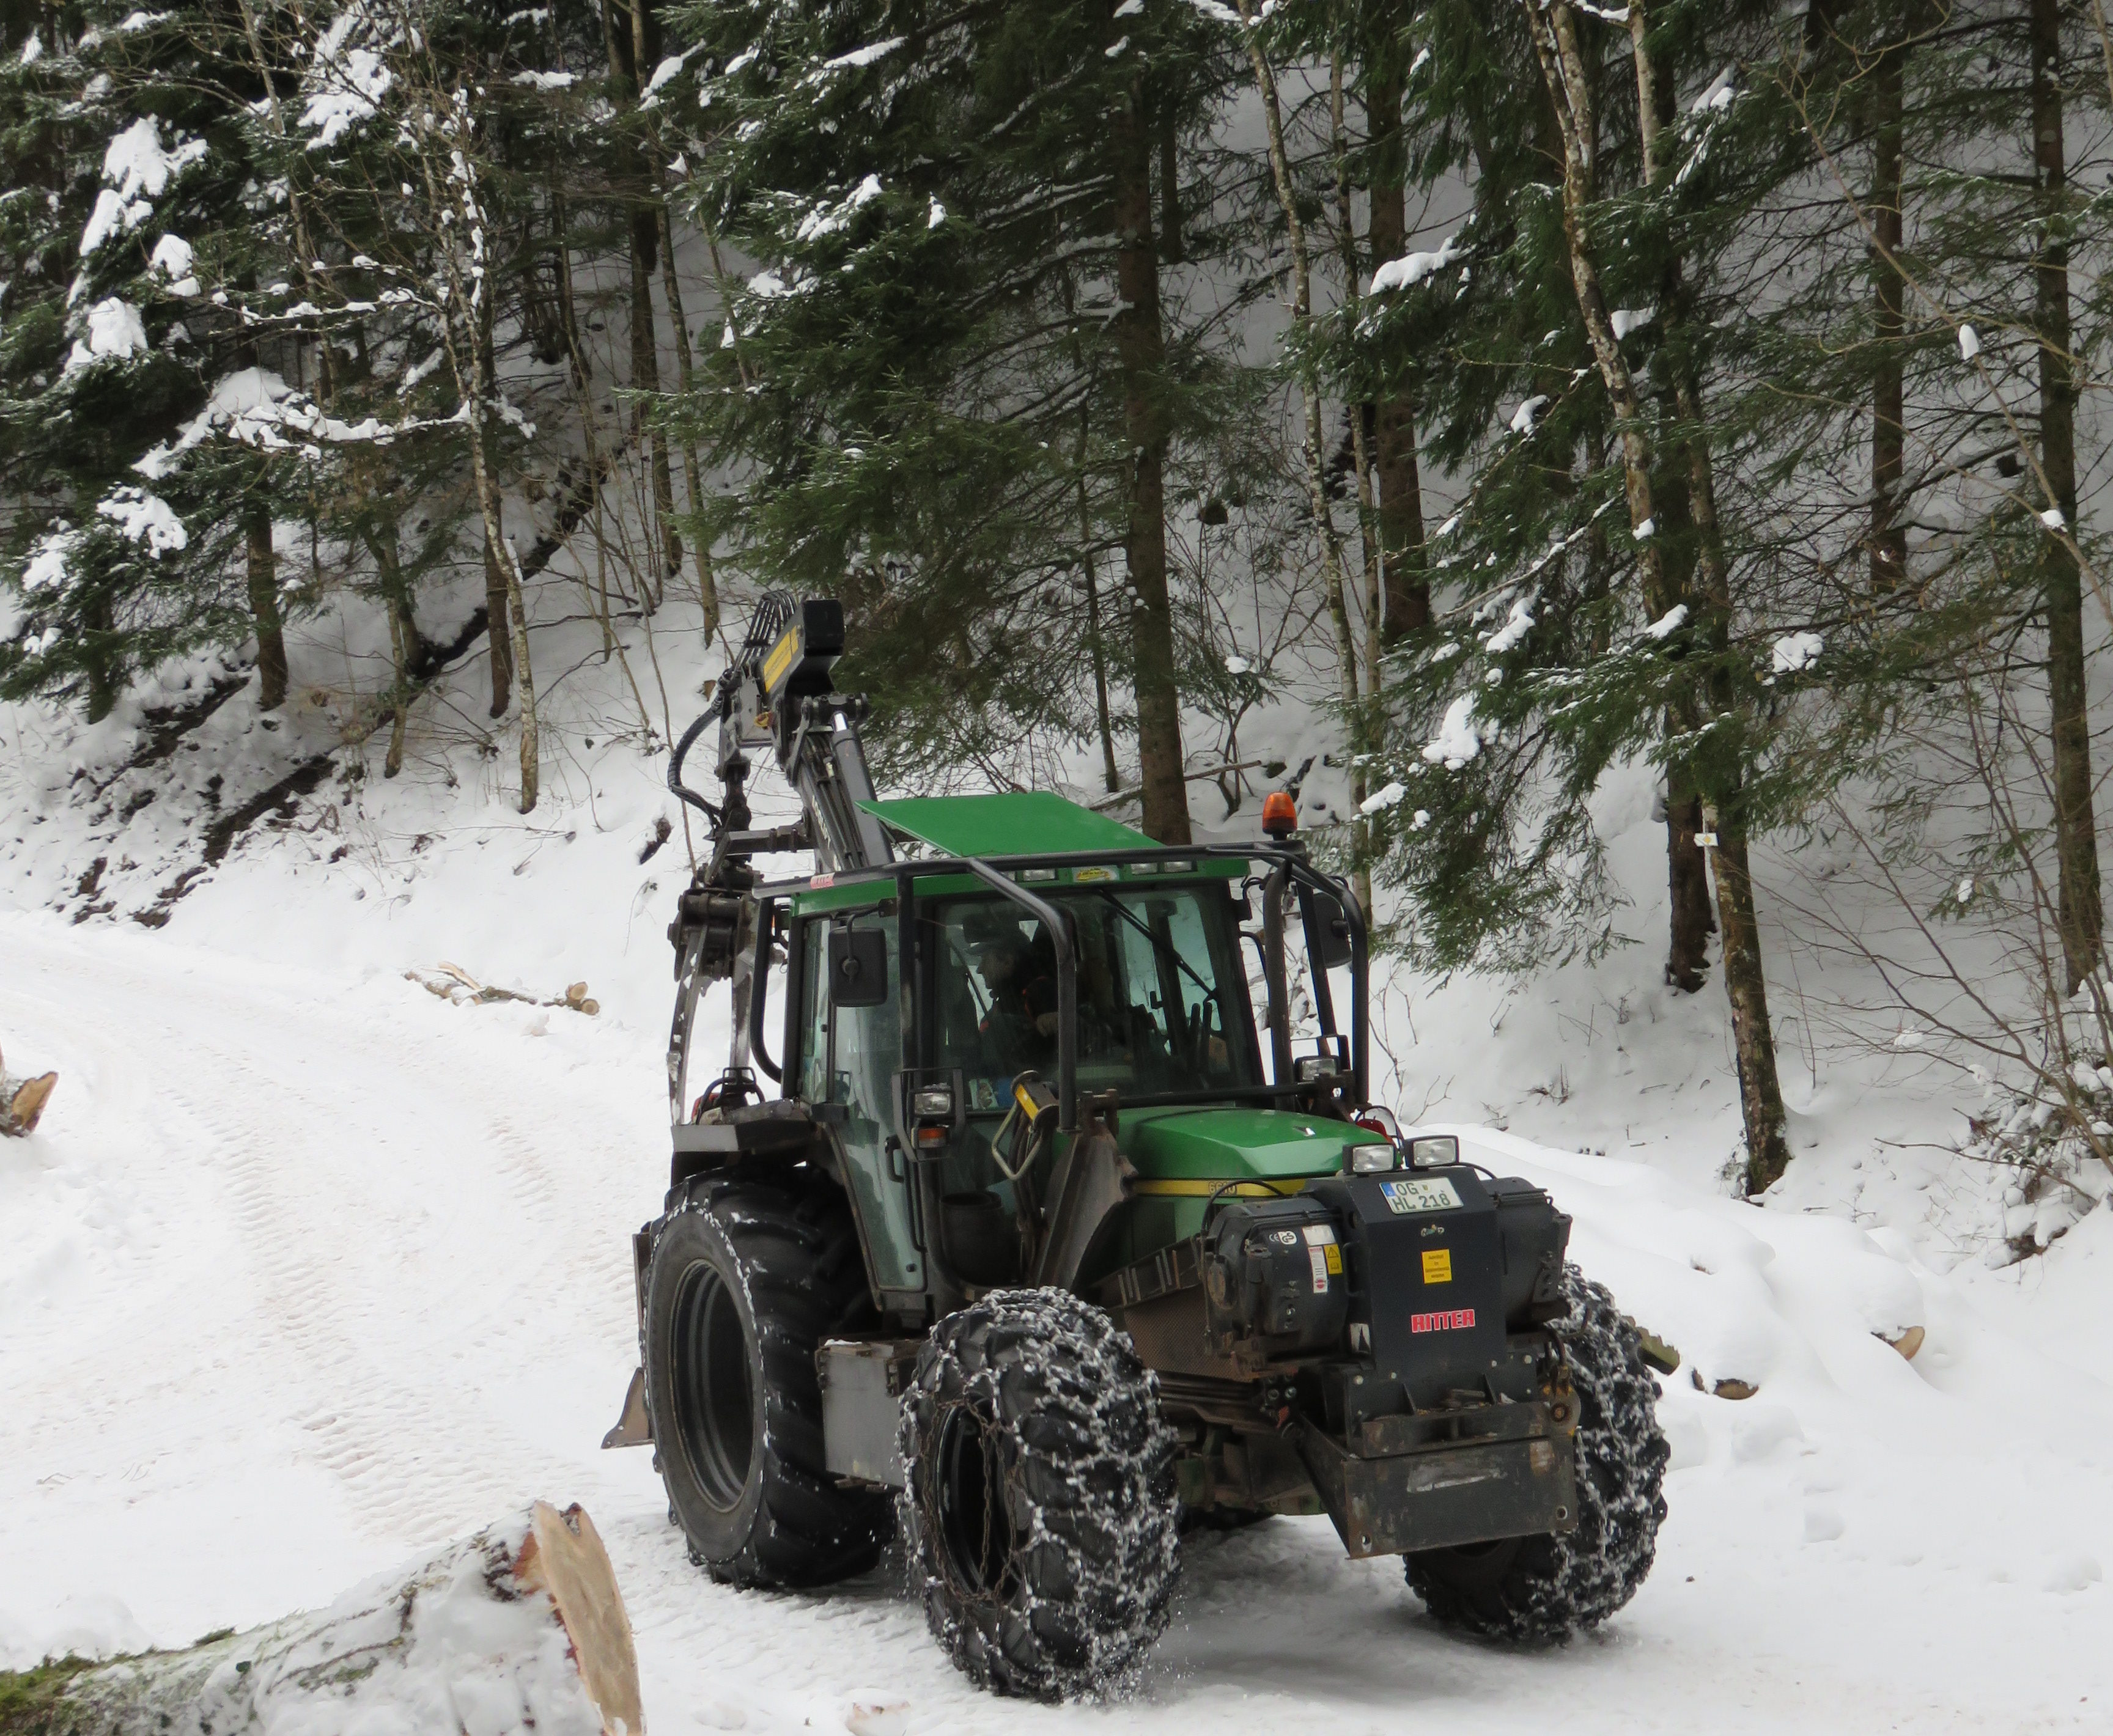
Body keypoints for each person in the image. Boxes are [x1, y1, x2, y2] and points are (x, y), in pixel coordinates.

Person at [965, 913, 1058, 1064]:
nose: (979, 969)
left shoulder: (1040, 994)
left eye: (985, 960)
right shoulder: (1008, 1002)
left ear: (1008, 962)